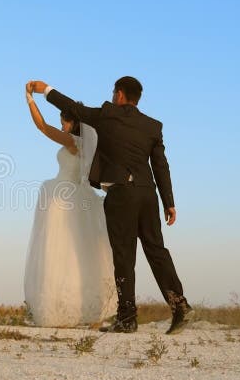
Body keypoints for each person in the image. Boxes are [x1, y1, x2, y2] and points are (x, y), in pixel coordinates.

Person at [26, 76, 193, 334]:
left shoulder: (107, 115)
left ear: (120, 94)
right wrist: (169, 202)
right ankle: (179, 305)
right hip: (148, 194)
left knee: (124, 256)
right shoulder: (152, 126)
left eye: (114, 92)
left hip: (121, 194)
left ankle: (127, 318)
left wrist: (44, 89)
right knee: (156, 250)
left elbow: (73, 106)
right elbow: (160, 166)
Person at [22, 84, 116, 327]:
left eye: (63, 121)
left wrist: (30, 101)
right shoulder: (88, 145)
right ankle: (82, 307)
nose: (61, 126)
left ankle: (60, 308)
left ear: (73, 123)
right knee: (78, 255)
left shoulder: (73, 142)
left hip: (63, 198)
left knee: (57, 254)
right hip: (79, 196)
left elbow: (43, 128)